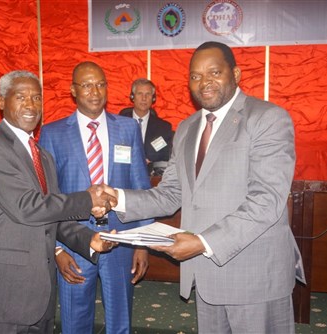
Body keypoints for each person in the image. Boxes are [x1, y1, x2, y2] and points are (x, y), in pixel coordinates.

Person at [109, 41, 305, 333]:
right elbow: (171, 193)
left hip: (254, 275)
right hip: (205, 273)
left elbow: (266, 202)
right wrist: (117, 198)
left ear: (236, 74)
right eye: (196, 76)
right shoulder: (188, 127)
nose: (204, 82)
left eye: (214, 72)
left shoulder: (267, 118)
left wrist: (202, 242)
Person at [0, 70, 117, 334]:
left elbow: (52, 217)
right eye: (21, 97)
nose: (31, 105)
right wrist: (87, 198)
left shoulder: (43, 156)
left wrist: (88, 239)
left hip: (41, 293)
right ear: (1, 101)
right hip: (5, 292)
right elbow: (27, 207)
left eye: (37, 98)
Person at [39, 61, 153, 334]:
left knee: (120, 320)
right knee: (75, 321)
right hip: (72, 242)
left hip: (121, 242)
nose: (95, 91)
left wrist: (142, 244)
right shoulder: (53, 134)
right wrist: (56, 250)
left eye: (100, 84)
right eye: (87, 85)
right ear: (73, 90)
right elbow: (47, 198)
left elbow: (141, 187)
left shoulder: (127, 129)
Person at [119, 78, 173, 175]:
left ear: (153, 98)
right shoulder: (118, 124)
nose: (144, 98)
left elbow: (166, 155)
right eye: (140, 94)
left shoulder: (163, 128)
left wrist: (149, 160)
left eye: (148, 94)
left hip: (150, 176)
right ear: (132, 97)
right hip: (122, 173)